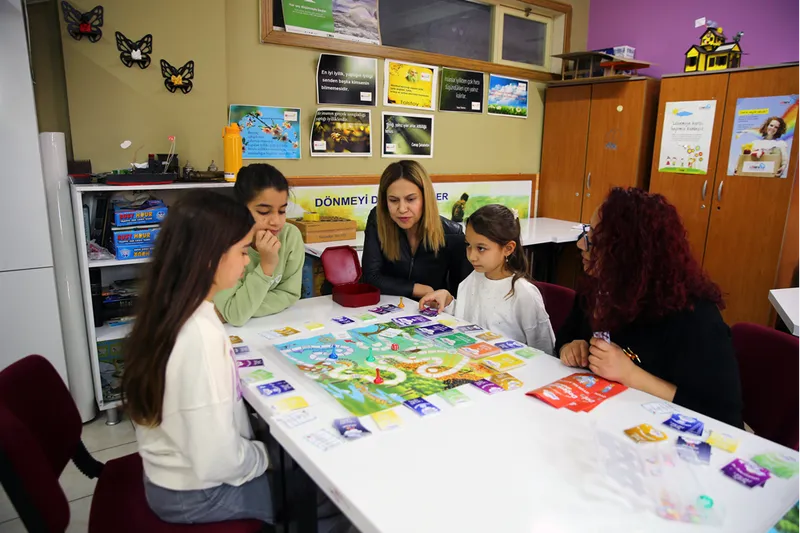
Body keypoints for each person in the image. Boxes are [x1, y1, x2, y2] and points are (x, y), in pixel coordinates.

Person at [123, 191, 273, 525]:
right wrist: (268, 456)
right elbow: (218, 460)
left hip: (175, 474)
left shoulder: (173, 307)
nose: (248, 261)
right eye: (242, 251)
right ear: (209, 258)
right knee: (314, 497)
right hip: (197, 494)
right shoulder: (197, 335)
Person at [556, 187, 743, 427]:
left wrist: (631, 375)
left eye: (596, 241)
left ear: (630, 256)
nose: (581, 245)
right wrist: (571, 347)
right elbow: (564, 337)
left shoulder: (694, 318)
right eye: (587, 232)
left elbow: (723, 417)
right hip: (604, 420)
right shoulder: (598, 286)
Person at [418, 204, 555, 353]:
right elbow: (468, 320)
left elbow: (545, 349)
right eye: (468, 245)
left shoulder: (524, 294)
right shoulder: (473, 278)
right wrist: (449, 301)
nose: (471, 256)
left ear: (508, 249)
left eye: (481, 248)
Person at [362, 160, 471, 298]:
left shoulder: (453, 234)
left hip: (433, 313)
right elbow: (370, 277)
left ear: (426, 199)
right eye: (393, 200)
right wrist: (418, 289)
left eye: (411, 199)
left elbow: (459, 294)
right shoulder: (377, 219)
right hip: (387, 311)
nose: (402, 209)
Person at [214, 163, 305, 326]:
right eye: (264, 212)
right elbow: (236, 315)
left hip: (269, 327)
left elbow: (290, 294)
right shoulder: (222, 243)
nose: (276, 222)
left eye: (282, 211)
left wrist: (239, 308)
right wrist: (267, 265)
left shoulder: (290, 236)